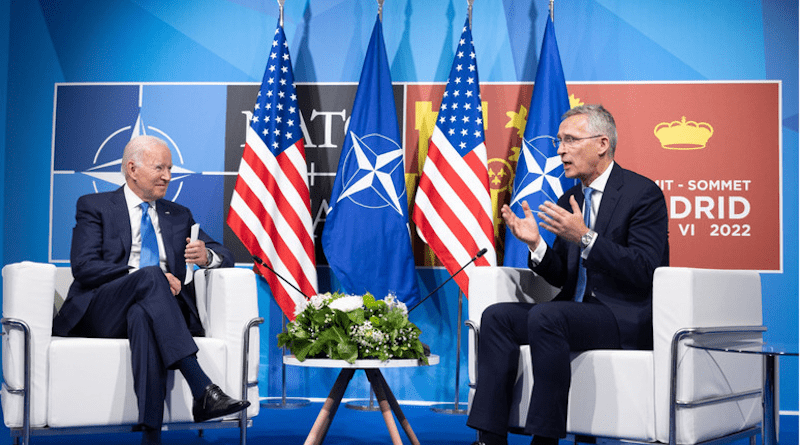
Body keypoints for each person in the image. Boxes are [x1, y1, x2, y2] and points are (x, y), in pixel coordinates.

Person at [466, 105, 669, 445]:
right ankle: (489, 437)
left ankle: (544, 439)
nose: (559, 150)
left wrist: (587, 238)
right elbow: (562, 275)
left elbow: (645, 268)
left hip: (619, 316)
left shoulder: (642, 194)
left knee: (548, 316)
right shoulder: (571, 196)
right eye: (560, 141)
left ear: (602, 144)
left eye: (570, 140)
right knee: (497, 316)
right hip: (571, 312)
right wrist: (536, 246)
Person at [52, 135, 250, 445]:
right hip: (103, 310)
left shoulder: (178, 214)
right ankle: (203, 388)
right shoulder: (95, 206)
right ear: (132, 168)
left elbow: (225, 254)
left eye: (170, 169)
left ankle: (151, 437)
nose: (168, 177)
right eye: (160, 168)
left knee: (142, 314)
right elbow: (84, 266)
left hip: (157, 310)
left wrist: (206, 255)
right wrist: (145, 274)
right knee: (151, 277)